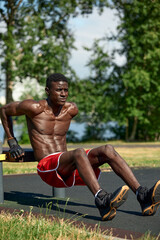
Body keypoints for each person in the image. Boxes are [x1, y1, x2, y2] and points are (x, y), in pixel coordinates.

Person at [0, 73, 160, 221]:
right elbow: (4, 110)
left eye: (66, 90)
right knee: (78, 152)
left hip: (67, 166)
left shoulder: (71, 110)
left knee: (107, 150)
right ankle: (102, 199)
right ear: (47, 91)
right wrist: (12, 141)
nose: (63, 94)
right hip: (47, 168)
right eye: (59, 90)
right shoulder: (34, 107)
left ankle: (142, 195)